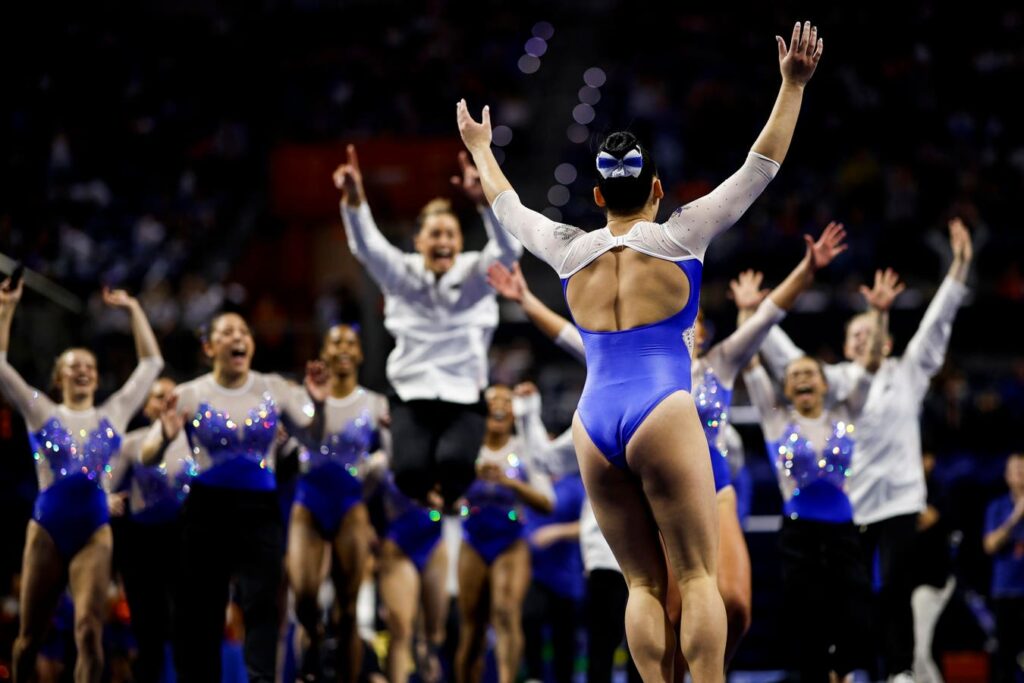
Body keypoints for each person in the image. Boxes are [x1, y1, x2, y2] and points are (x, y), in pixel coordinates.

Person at [458, 21, 822, 680]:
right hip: (663, 408)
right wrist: (792, 85)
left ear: (598, 196)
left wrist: (482, 149)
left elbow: (507, 207)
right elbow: (760, 167)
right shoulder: (682, 235)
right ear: (656, 189)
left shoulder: (569, 248)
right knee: (697, 574)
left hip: (593, 421)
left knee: (642, 585)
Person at [488, 221, 847, 665]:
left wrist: (808, 270)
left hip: (714, 483)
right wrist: (525, 300)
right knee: (672, 609)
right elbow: (569, 335)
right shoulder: (633, 355)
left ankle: (710, 670)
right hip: (659, 486)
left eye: (698, 319)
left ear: (701, 327)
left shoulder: (720, 363)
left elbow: (769, 314)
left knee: (736, 604)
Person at [759, 218, 974, 681]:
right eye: (853, 336)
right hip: (850, 505)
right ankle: (851, 669)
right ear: (843, 346)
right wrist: (760, 311)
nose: (861, 341)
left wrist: (958, 270)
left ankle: (899, 671)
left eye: (868, 334)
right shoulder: (837, 382)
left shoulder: (907, 372)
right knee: (850, 601)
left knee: (895, 586)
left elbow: (936, 326)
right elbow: (791, 361)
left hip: (899, 499)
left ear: (885, 339)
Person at [332, 148, 522, 507]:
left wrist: (486, 204)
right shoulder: (401, 274)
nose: (443, 242)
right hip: (411, 394)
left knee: (454, 466)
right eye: (435, 235)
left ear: (460, 242)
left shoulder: (475, 275)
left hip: (465, 395)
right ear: (418, 241)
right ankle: (427, 498)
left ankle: (449, 498)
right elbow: (368, 247)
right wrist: (354, 200)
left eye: (450, 235)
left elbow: (509, 251)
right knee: (408, 474)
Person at [0, 279, 163, 683]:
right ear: (59, 378)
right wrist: (6, 308)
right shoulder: (41, 411)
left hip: (94, 531)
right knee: (29, 638)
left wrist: (133, 309)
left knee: (90, 632)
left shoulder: (114, 413)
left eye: (89, 367)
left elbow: (151, 364)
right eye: (74, 366)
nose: (84, 372)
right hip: (47, 530)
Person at [144, 312, 319, 682]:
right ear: (209, 347)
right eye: (227, 332)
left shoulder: (275, 387)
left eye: (243, 331)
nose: (238, 337)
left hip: (260, 510)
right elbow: (147, 454)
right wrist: (164, 435)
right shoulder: (191, 392)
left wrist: (317, 406)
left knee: (263, 605)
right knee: (204, 611)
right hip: (208, 509)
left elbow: (313, 439)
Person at [743, 288, 882, 679]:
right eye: (794, 376)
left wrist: (880, 313)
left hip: (844, 534)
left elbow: (871, 365)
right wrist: (748, 312)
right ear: (787, 389)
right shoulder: (776, 420)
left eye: (809, 373)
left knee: (856, 616)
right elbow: (750, 364)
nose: (802, 379)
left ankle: (844, 671)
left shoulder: (846, 412)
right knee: (807, 624)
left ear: (824, 384)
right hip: (799, 537)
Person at [287, 324, 385, 682]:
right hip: (309, 501)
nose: (343, 348)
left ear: (359, 354)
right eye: (335, 342)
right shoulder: (303, 396)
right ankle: (313, 639)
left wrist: (373, 472)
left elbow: (390, 459)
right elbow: (285, 445)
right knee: (304, 597)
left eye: (350, 343)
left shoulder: (374, 403)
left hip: (350, 504)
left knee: (348, 611)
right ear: (324, 352)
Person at [456, 384, 554, 683]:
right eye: (492, 400)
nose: (499, 404)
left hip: (510, 542)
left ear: (514, 413)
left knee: (505, 612)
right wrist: (467, 477)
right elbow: (444, 500)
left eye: (506, 400)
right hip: (472, 541)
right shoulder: (465, 448)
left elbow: (547, 503)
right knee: (472, 627)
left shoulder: (524, 449)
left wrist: (509, 482)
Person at [106, 377, 195, 682]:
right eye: (158, 396)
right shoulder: (132, 443)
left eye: (173, 395)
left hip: (182, 539)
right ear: (146, 407)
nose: (167, 401)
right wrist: (105, 499)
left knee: (186, 625)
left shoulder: (195, 443)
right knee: (147, 629)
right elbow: (104, 484)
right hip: (141, 544)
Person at [982, 452, 1024, 683]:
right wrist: (1016, 517)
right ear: (1007, 475)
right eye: (1015, 470)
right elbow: (990, 544)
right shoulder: (998, 506)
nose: (1020, 474)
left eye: (1023, 469)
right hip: (1006, 590)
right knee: (1005, 658)